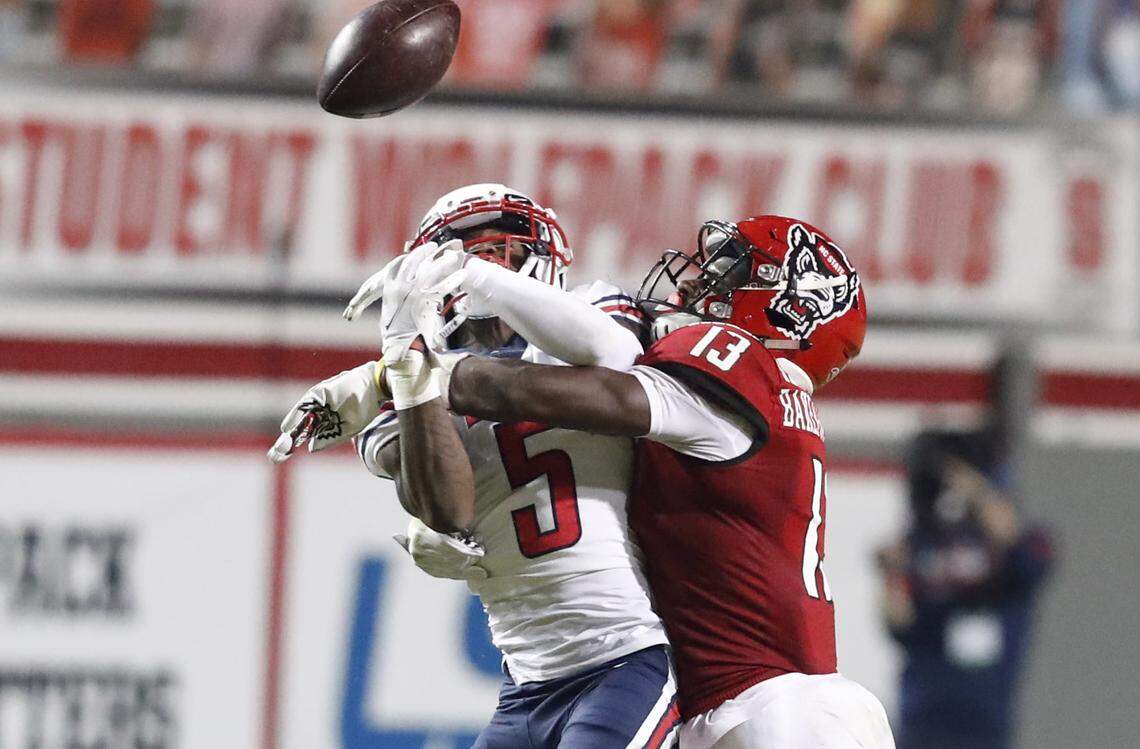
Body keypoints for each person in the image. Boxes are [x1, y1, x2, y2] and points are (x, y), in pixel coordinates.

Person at [287, 214, 896, 747]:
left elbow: (585, 393)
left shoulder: (738, 368)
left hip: (774, 707)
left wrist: (405, 374)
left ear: (794, 306)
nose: (691, 282)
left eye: (727, 271)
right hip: (734, 704)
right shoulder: (758, 392)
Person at [270, 184, 680, 749]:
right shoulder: (403, 382)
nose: (480, 263)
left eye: (500, 249)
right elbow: (448, 508)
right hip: (525, 684)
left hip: (629, 655)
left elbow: (611, 355)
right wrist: (407, 373)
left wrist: (423, 353)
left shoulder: (595, 312)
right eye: (461, 253)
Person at [878, 429, 1055, 749]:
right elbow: (900, 627)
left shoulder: (1019, 549)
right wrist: (891, 575)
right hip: (922, 721)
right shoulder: (921, 545)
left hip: (985, 725)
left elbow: (1024, 550)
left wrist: (973, 487)